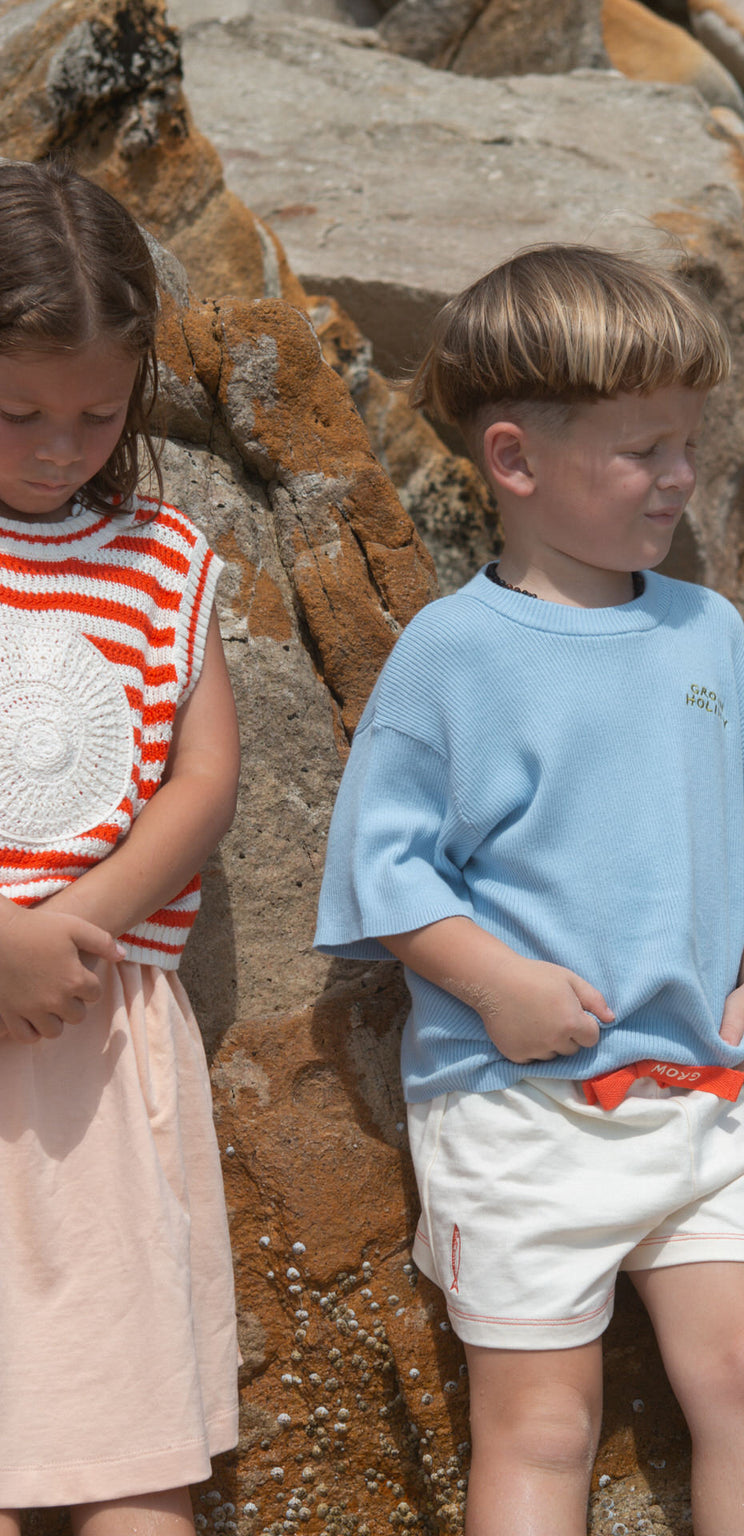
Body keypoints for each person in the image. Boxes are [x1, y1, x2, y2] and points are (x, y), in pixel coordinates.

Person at [315, 244, 744, 1536]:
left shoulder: (706, 631)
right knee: (541, 1428)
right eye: (645, 450)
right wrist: (497, 985)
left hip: (702, 1093)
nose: (682, 476)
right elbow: (382, 868)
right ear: (514, 460)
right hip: (516, 1109)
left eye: (688, 442)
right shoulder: (452, 653)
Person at [0, 161, 239, 1534]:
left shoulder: (161, 556)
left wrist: (68, 935)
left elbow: (203, 779)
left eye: (97, 415)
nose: (59, 448)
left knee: (132, 1450)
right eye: (19, 412)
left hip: (99, 1039)